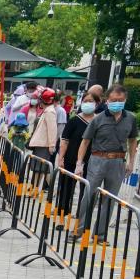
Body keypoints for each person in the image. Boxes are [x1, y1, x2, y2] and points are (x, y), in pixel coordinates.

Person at [76, 84, 138, 240]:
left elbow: (132, 141)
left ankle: (100, 234)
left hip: (118, 162)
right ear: (107, 100)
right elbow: (85, 141)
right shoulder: (98, 118)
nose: (117, 102)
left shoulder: (130, 118)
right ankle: (79, 230)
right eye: (114, 100)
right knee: (89, 195)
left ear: (125, 100)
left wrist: (131, 162)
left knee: (110, 199)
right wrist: (79, 163)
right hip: (98, 159)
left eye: (120, 100)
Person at [55, 92, 98, 230]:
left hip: (91, 162)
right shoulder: (74, 120)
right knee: (66, 190)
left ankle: (80, 223)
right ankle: (61, 219)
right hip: (70, 160)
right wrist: (60, 158)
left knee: (86, 193)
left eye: (91, 101)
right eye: (85, 101)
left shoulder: (99, 121)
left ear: (97, 103)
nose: (88, 103)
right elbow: (64, 141)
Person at [28, 88, 58, 163]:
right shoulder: (47, 110)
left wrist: (51, 145)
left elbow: (52, 130)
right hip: (41, 144)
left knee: (39, 168)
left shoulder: (50, 112)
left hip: (43, 146)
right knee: (36, 167)